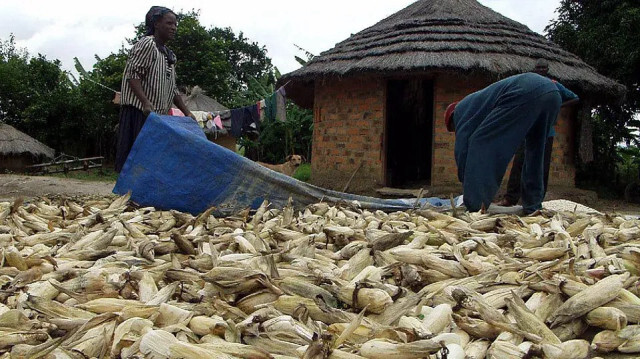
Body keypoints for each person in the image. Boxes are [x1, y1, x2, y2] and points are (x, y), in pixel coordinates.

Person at [444, 72, 565, 214]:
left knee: (480, 141)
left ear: (451, 119)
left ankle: (475, 205)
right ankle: (533, 206)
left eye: (453, 129)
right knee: (534, 151)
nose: (456, 131)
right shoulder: (478, 104)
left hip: (524, 92)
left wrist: (466, 179)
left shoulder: (460, 111)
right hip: (553, 95)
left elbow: (462, 149)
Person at [115, 6, 196, 172]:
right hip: (139, 112)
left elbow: (172, 89)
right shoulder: (147, 44)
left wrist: (187, 112)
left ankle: (144, 196)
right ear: (156, 24)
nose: (174, 27)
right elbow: (133, 75)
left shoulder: (169, 55)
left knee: (153, 160)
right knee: (136, 159)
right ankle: (129, 195)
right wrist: (145, 102)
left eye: (175, 24)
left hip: (157, 116)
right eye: (169, 23)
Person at [499, 60, 580, 206]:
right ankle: (510, 198)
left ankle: (535, 200)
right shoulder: (529, 84)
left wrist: (556, 105)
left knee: (541, 166)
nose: (541, 70)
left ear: (548, 70)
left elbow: (575, 98)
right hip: (526, 131)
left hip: (545, 133)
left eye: (544, 68)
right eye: (538, 68)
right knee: (519, 163)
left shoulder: (554, 85)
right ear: (534, 69)